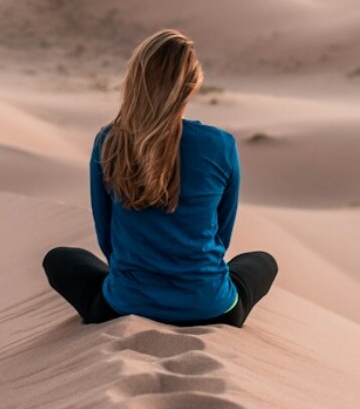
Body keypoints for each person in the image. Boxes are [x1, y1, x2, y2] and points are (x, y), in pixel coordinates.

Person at [43, 28, 278, 327]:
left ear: (135, 80)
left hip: (124, 305)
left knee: (60, 259)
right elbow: (222, 235)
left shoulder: (111, 140)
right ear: (191, 86)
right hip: (211, 307)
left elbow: (107, 238)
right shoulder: (221, 145)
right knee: (262, 262)